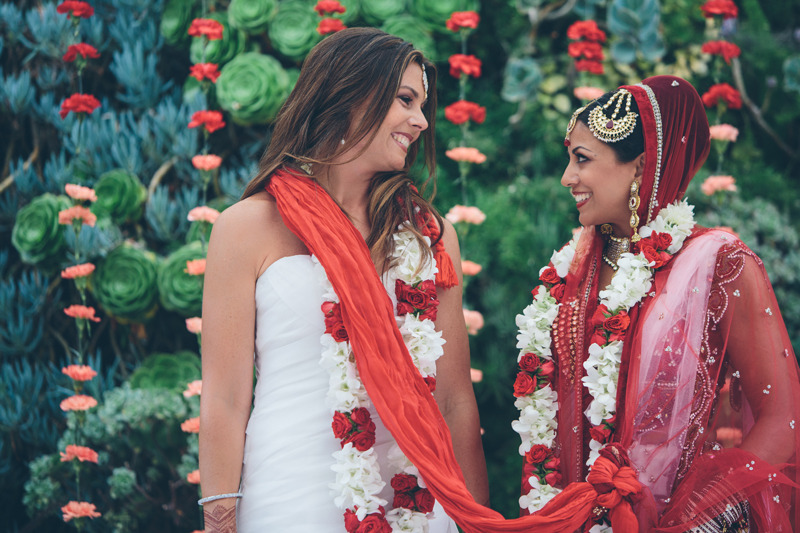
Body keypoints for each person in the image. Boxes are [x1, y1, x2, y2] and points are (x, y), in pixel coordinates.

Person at [198, 28, 489, 532]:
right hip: (288, 497)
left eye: (422, 106)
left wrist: (478, 523)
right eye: (405, 100)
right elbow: (224, 398)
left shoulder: (429, 236)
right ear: (351, 95)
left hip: (415, 505)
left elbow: (454, 398)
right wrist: (220, 524)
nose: (420, 121)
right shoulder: (245, 228)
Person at [512, 75, 799, 531]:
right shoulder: (571, 272)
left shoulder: (716, 261)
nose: (567, 177)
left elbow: (783, 415)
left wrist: (704, 518)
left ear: (641, 166)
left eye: (581, 159)